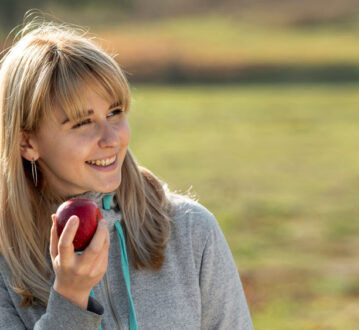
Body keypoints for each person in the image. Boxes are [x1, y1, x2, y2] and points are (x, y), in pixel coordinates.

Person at [0, 19, 254, 330]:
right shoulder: (4, 261)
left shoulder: (191, 231)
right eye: (82, 123)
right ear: (27, 143)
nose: (111, 138)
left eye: (114, 112)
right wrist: (70, 298)